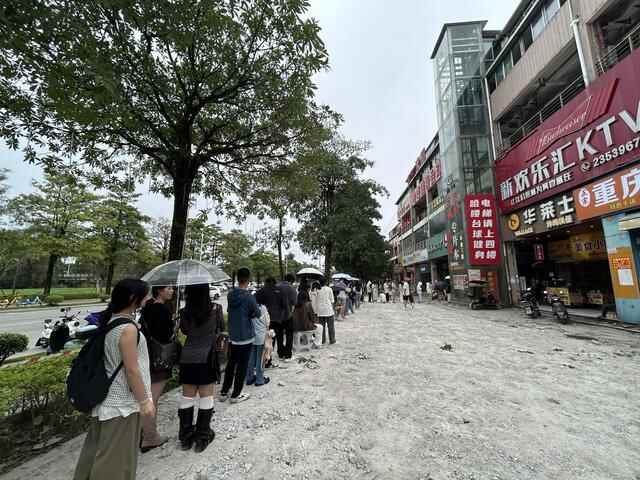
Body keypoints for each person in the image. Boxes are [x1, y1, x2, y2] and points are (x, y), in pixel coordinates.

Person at [73, 278, 153, 480]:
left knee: (97, 455)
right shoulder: (128, 329)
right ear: (133, 298)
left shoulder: (111, 321)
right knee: (115, 463)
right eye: (146, 295)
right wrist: (145, 401)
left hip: (107, 402)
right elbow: (132, 370)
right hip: (121, 404)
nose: (148, 298)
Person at [177, 283, 224, 453]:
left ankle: (186, 437)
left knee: (187, 396)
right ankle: (203, 436)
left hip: (187, 356)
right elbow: (221, 328)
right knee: (206, 395)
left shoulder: (184, 312)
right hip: (207, 356)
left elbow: (184, 331)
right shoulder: (216, 309)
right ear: (206, 291)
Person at [139, 285, 174, 453]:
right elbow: (166, 335)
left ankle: (143, 432)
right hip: (159, 358)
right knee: (152, 398)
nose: (172, 291)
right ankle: (150, 437)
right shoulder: (162, 310)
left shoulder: (148, 307)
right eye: (168, 288)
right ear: (159, 290)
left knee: (147, 395)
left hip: (146, 355)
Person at [220, 267, 260, 403]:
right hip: (246, 336)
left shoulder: (230, 295)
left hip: (233, 335)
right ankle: (235, 395)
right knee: (242, 366)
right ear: (248, 279)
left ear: (237, 278)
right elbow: (257, 313)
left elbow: (230, 310)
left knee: (231, 364)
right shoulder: (249, 296)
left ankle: (224, 392)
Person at [255, 278, 287, 362]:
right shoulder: (281, 291)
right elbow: (285, 305)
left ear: (266, 282)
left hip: (266, 320)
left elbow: (255, 304)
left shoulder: (261, 291)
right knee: (280, 337)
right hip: (278, 318)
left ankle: (268, 359)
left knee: (268, 340)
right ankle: (281, 353)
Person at [246, 302, 270, 387]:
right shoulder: (262, 307)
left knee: (251, 358)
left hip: (251, 335)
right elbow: (267, 322)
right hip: (261, 336)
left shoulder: (248, 306)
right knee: (260, 359)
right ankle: (259, 379)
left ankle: (249, 378)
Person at [277, 274, 297, 360]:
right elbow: (294, 303)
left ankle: (280, 353)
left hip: (277, 316)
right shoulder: (292, 289)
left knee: (279, 335)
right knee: (289, 335)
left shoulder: (276, 287)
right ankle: (288, 354)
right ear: (291, 281)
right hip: (288, 315)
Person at [314, 278, 336, 345]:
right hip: (329, 310)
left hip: (320, 311)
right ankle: (332, 340)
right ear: (326, 282)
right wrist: (333, 309)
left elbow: (315, 300)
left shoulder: (317, 290)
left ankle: (322, 340)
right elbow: (332, 300)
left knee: (321, 327)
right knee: (331, 326)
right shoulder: (329, 289)